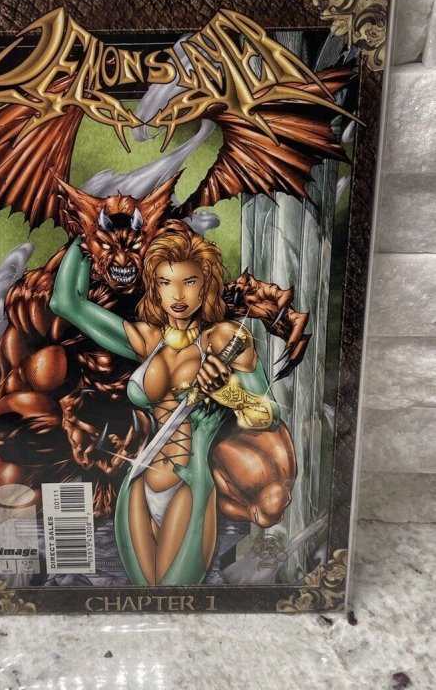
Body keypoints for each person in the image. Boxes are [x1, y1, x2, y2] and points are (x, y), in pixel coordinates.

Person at [50, 227, 294, 586]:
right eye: (165, 283)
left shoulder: (224, 338)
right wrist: (85, 233)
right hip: (139, 478)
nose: (177, 295)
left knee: (174, 591)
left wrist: (228, 391)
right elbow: (65, 303)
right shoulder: (149, 340)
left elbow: (269, 416)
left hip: (190, 478)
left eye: (189, 282)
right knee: (144, 595)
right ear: (155, 287)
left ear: (205, 285)